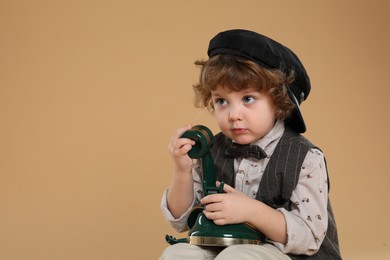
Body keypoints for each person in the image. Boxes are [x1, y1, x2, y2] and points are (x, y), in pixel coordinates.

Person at [160, 29, 341, 259]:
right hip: (224, 246)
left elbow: (309, 237)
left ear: (278, 101)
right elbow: (181, 221)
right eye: (222, 101)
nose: (234, 114)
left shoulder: (304, 157)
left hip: (288, 254)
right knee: (178, 254)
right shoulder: (212, 150)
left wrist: (250, 211)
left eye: (248, 99)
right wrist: (182, 169)